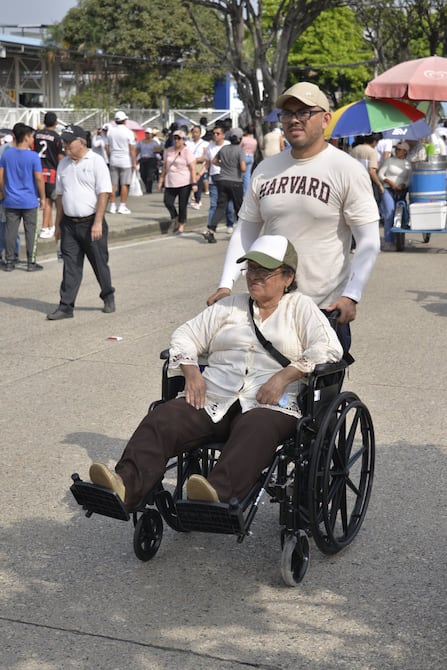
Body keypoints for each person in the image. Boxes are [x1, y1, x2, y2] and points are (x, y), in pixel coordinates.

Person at [87, 235, 343, 509]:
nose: (254, 276)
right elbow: (185, 335)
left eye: (264, 271)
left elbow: (329, 348)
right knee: (163, 417)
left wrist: (284, 376)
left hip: (270, 404)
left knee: (255, 428)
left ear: (287, 277)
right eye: (251, 269)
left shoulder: (300, 308)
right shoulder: (228, 306)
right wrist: (191, 372)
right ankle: (125, 486)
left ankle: (215, 497)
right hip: (214, 397)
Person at [206, 82, 380, 355]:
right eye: (287, 113)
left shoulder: (346, 170)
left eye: (304, 112)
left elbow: (368, 240)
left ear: (325, 119)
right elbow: (245, 232)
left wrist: (351, 295)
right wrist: (225, 284)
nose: (294, 119)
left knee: (313, 382)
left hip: (323, 310)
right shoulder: (266, 169)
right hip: (269, 309)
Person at [47, 125, 115, 320]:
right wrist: (58, 224)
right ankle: (66, 307)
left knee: (99, 263)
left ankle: (108, 296)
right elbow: (60, 196)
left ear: (81, 142)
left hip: (91, 222)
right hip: (69, 224)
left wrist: (98, 222)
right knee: (70, 266)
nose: (65, 145)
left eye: (69, 141)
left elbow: (104, 193)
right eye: (64, 141)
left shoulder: (96, 161)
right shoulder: (63, 164)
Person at [0, 122, 46, 272]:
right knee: (31, 231)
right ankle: (31, 262)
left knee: (10, 231)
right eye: (31, 136)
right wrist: (43, 197)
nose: (33, 139)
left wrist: (4, 191)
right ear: (26, 137)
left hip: (10, 199)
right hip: (29, 200)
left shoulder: (6, 154)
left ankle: (9, 261)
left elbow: (1, 176)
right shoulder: (33, 156)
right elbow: (39, 178)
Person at [203, 128, 246, 244]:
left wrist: (224, 166)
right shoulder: (240, 150)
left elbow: (214, 161)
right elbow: (243, 168)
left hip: (222, 180)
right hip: (235, 181)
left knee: (220, 206)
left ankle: (211, 230)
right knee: (239, 207)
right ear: (240, 139)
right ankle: (242, 232)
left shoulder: (224, 148)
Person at [157, 129, 197, 235]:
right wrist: (161, 179)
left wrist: (194, 183)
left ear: (183, 140)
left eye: (179, 138)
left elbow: (193, 168)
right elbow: (165, 166)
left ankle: (181, 225)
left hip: (184, 181)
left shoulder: (187, 151)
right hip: (171, 180)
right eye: (175, 138)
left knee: (182, 204)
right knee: (168, 202)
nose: (176, 140)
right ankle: (175, 217)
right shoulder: (168, 151)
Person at [34, 111, 64, 239]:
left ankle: (50, 225)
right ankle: (44, 227)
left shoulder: (36, 134)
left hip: (37, 169)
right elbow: (60, 156)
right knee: (48, 200)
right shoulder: (56, 137)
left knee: (45, 199)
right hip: (51, 171)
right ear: (55, 123)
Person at [378, 141, 411, 250]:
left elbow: (409, 179)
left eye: (399, 150)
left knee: (402, 214)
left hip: (401, 191)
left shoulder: (408, 164)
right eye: (396, 149)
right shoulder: (389, 161)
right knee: (389, 213)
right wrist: (390, 182)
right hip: (388, 189)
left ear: (405, 151)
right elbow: (380, 174)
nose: (397, 151)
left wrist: (403, 185)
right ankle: (388, 241)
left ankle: (399, 239)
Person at [204, 126, 235, 236]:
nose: (215, 135)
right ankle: (211, 227)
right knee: (213, 204)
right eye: (214, 133)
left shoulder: (228, 145)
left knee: (228, 204)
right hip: (214, 178)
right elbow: (207, 163)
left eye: (218, 133)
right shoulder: (210, 146)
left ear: (223, 135)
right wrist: (199, 174)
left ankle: (230, 224)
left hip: (226, 177)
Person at [105, 111, 137, 214]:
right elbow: (132, 149)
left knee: (113, 184)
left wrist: (110, 157)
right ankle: (122, 206)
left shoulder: (110, 132)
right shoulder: (129, 132)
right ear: (125, 120)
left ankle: (112, 205)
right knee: (124, 184)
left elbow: (107, 147)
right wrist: (134, 162)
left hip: (114, 159)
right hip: (125, 160)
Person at [350, 134, 384, 206]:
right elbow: (371, 171)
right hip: (366, 182)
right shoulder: (372, 152)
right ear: (374, 142)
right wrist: (379, 185)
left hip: (353, 180)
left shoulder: (354, 149)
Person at [186, 125, 209, 208]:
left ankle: (197, 200)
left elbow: (205, 156)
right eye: (193, 132)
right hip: (188, 165)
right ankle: (190, 199)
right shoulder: (188, 143)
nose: (195, 134)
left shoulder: (205, 143)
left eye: (197, 132)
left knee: (198, 182)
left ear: (200, 133)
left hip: (199, 165)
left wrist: (196, 160)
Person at [136, 128, 162, 194]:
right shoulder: (141, 142)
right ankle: (146, 185)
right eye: (146, 133)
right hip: (143, 159)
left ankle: (149, 189)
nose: (147, 135)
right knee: (143, 174)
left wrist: (156, 151)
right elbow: (137, 151)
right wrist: (135, 159)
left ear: (151, 134)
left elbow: (159, 150)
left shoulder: (154, 142)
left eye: (148, 133)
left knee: (150, 174)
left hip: (151, 159)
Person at [240, 124, 258, 193]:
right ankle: (247, 191)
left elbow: (239, 147)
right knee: (247, 175)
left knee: (241, 174)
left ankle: (242, 190)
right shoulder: (254, 140)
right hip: (251, 156)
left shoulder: (243, 139)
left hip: (243, 156)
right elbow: (254, 150)